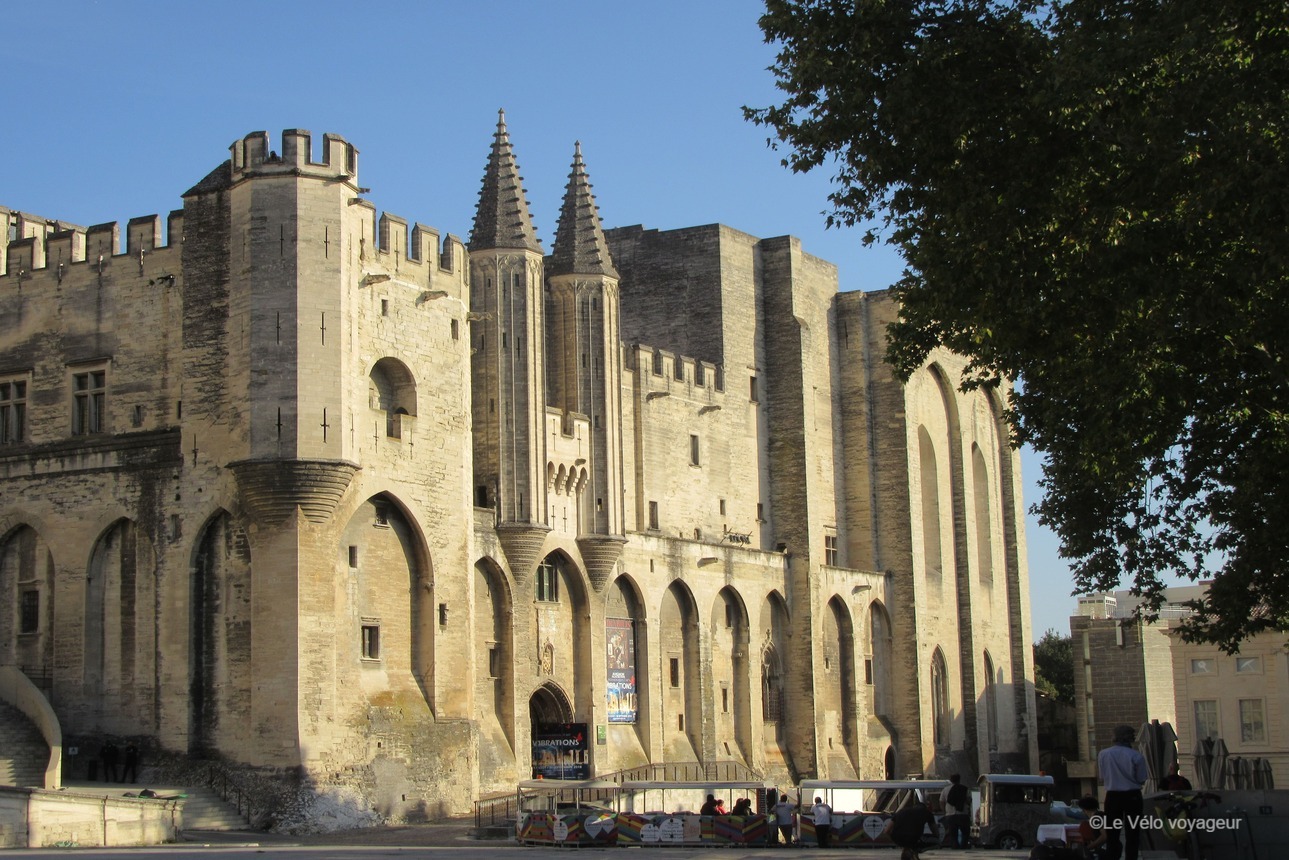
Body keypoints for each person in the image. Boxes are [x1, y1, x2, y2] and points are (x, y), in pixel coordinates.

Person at [1097, 724, 1148, 860]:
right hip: (1132, 796)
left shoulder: (1103, 754)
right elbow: (1142, 779)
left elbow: (1102, 777)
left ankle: (1112, 857)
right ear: (1128, 738)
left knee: (1112, 833)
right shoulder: (1136, 756)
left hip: (1112, 796)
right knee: (1133, 833)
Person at [939, 773, 971, 849]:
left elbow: (941, 802)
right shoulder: (964, 788)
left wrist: (945, 812)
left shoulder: (945, 789)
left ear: (950, 780)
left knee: (953, 834)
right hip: (963, 814)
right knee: (965, 833)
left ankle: (955, 846)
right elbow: (968, 800)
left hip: (950, 815)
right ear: (959, 780)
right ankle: (964, 846)